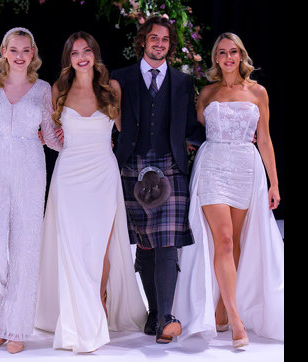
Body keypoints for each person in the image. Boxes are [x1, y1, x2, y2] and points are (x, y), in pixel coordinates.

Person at [34, 31, 147, 353]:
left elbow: (128, 130)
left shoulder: (112, 89)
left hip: (103, 173)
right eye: (74, 52)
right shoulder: (58, 90)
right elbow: (51, 133)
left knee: (100, 247)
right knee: (72, 248)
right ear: (68, 58)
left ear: (95, 55)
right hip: (69, 175)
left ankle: (97, 306)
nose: (81, 56)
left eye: (86, 50)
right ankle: (76, 319)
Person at [173, 32, 284, 347]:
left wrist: (274, 183)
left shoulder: (258, 92)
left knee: (234, 244)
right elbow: (196, 131)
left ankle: (223, 308)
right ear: (215, 59)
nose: (228, 58)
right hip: (213, 167)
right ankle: (236, 321)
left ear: (241, 55)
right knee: (221, 241)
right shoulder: (207, 93)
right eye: (222, 53)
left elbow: (264, 138)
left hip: (246, 169)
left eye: (233, 52)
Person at [110, 15, 206, 344]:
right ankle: (154, 313)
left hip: (171, 166)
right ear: (143, 41)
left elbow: (190, 127)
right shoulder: (121, 78)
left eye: (165, 40)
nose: (159, 44)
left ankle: (165, 317)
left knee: (168, 243)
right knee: (147, 244)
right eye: (154, 38)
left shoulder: (182, 82)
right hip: (132, 166)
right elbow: (105, 116)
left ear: (170, 45)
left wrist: (225, 136)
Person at [0, 27, 62, 354]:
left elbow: (51, 133)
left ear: (33, 53)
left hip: (30, 169)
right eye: (14, 49)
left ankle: (17, 328)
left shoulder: (42, 88)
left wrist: (83, 139)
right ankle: (4, 314)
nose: (19, 55)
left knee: (26, 249)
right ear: (4, 51)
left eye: (25, 50)